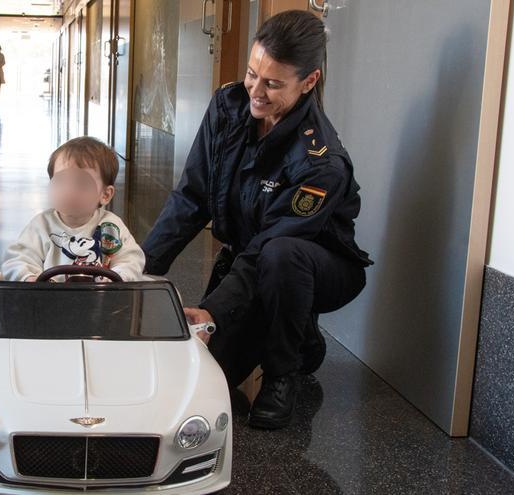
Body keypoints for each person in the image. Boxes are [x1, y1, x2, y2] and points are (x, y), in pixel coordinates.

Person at [141, 11, 372, 430]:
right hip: (252, 257)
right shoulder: (228, 107)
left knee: (282, 257)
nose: (256, 92)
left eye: (273, 83)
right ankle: (301, 334)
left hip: (317, 266)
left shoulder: (321, 163)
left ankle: (283, 373)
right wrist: (139, 269)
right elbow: (191, 197)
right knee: (210, 371)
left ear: (310, 81)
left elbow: (272, 244)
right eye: (252, 74)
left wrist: (212, 310)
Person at [2, 136, 145, 282]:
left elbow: (131, 260)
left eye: (82, 183)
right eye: (61, 181)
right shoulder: (41, 226)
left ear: (105, 194)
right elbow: (18, 259)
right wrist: (29, 277)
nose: (69, 191)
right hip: (51, 299)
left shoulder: (111, 227)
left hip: (101, 299)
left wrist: (118, 277)